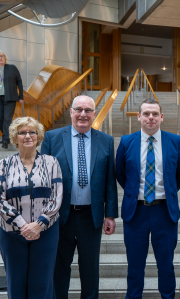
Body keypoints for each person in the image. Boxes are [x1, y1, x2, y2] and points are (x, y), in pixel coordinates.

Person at [41, 95, 118, 299]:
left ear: (94, 114)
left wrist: (110, 215)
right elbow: (43, 180)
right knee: (59, 269)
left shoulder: (106, 141)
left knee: (90, 271)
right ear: (71, 112)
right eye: (79, 109)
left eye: (88, 110)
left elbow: (110, 180)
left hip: (90, 217)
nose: (83, 114)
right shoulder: (52, 137)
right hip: (59, 217)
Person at [116, 98, 180, 299]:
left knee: (166, 265)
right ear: (138, 117)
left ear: (161, 117)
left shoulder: (175, 141)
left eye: (155, 114)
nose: (150, 117)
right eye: (146, 113)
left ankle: (167, 296)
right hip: (135, 211)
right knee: (135, 265)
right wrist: (133, 194)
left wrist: (167, 193)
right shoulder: (126, 142)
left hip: (164, 212)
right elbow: (121, 174)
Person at [0, 116, 62, 298]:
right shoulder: (3, 165)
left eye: (32, 132)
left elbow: (56, 197)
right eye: (22, 133)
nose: (28, 136)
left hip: (46, 232)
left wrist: (39, 224)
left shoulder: (51, 163)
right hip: (11, 233)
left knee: (42, 283)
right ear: (15, 137)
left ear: (38, 136)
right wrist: (21, 224)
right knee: (16, 283)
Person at [0, 50, 24, 149]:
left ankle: (5, 140)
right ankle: (7, 137)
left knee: (7, 119)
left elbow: (19, 82)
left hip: (9, 98)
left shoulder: (12, 68)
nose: (0, 58)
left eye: (2, 56)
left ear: (5, 58)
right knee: (0, 118)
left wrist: (21, 96)